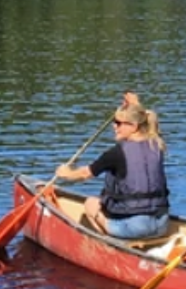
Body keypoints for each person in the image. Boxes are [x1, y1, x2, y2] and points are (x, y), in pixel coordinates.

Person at [57, 92, 170, 239]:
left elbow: (85, 174)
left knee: (91, 204)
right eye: (114, 122)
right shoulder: (157, 145)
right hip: (162, 224)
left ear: (134, 126)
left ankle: (107, 243)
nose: (114, 127)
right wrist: (135, 104)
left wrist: (65, 173)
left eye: (118, 123)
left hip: (135, 228)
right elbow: (146, 120)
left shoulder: (116, 153)